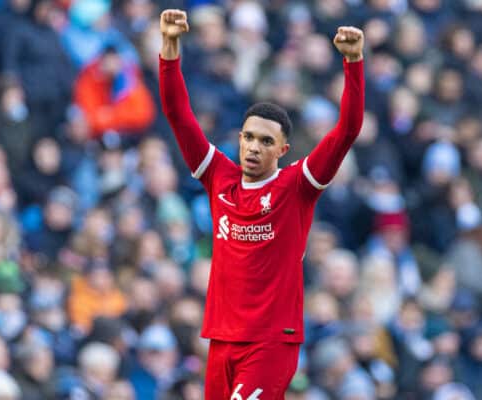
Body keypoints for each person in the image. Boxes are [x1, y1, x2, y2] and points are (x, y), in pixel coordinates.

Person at [159, 8, 364, 399]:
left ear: (283, 150)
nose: (254, 147)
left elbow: (347, 130)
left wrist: (353, 63)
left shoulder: (297, 185)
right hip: (221, 338)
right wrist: (169, 47)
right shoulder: (218, 175)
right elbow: (177, 113)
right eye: (249, 137)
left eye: (266, 142)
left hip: (271, 342)